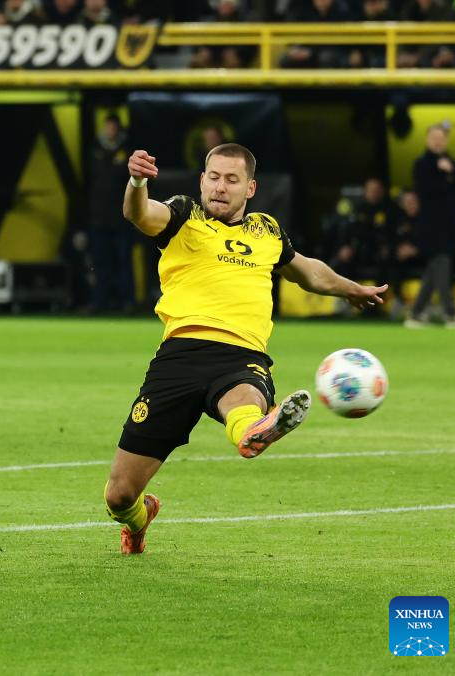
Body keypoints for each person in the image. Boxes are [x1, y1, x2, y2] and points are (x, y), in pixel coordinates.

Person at [105, 143, 387, 555]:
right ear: (202, 180)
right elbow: (140, 214)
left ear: (250, 188)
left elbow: (307, 271)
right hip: (178, 358)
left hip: (241, 357)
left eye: (232, 180)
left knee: (243, 401)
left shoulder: (267, 231)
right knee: (118, 496)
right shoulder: (183, 214)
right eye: (214, 177)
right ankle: (139, 518)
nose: (220, 187)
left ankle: (256, 429)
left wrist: (351, 289)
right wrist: (136, 182)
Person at [406, 124, 455, 329]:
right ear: (427, 140)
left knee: (433, 273)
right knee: (441, 266)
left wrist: (452, 170)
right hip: (431, 227)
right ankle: (450, 313)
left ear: (446, 140)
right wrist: (446, 176)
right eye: (434, 137)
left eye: (441, 138)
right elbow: (428, 191)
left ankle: (416, 314)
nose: (438, 141)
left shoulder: (450, 162)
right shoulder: (421, 164)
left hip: (450, 228)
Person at [87, 113, 135, 313]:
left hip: (122, 218)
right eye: (108, 126)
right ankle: (100, 302)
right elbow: (88, 186)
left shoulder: (128, 151)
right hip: (99, 219)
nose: (111, 130)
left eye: (114, 127)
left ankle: (128, 302)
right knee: (100, 263)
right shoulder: (95, 150)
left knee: (123, 262)